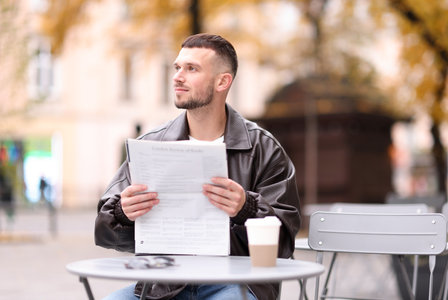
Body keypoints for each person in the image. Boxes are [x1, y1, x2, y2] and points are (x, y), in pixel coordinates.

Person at [95, 33, 301, 300]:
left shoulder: (263, 148)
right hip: (162, 286)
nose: (177, 77)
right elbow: (104, 229)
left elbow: (284, 241)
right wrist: (122, 213)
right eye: (177, 67)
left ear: (222, 81)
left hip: (235, 283)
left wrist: (246, 209)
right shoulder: (152, 145)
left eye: (191, 69)